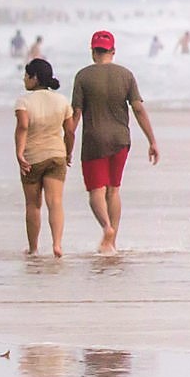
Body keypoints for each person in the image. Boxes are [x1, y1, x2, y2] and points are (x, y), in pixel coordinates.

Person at [71, 30, 159, 255]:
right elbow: (138, 109)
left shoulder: (83, 76)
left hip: (93, 140)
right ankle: (112, 242)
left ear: (93, 52)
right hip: (121, 140)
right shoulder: (126, 75)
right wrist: (152, 141)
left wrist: (67, 146)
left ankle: (106, 228)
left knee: (95, 192)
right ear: (113, 51)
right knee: (114, 190)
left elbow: (76, 115)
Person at [14, 58, 75, 258]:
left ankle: (33, 248)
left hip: (33, 157)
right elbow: (70, 131)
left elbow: (23, 127)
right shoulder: (62, 101)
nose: (24, 79)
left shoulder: (24, 101)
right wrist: (68, 152)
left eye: (26, 75)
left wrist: (19, 153)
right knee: (55, 202)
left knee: (33, 205)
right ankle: (57, 245)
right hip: (57, 154)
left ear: (35, 78)